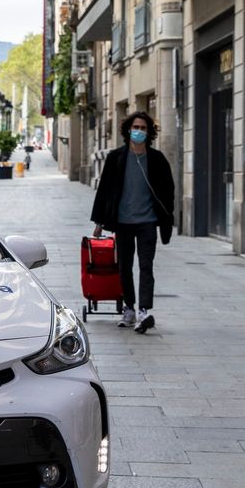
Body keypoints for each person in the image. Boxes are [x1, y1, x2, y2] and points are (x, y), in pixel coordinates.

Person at [90, 111, 175, 333]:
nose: (139, 131)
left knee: (146, 265)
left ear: (150, 133)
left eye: (144, 128)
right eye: (136, 127)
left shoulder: (157, 159)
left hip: (148, 222)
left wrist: (167, 216)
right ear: (128, 130)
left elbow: (168, 190)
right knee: (124, 267)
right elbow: (105, 191)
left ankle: (144, 310)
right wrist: (99, 221)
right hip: (123, 222)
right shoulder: (116, 158)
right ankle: (129, 309)